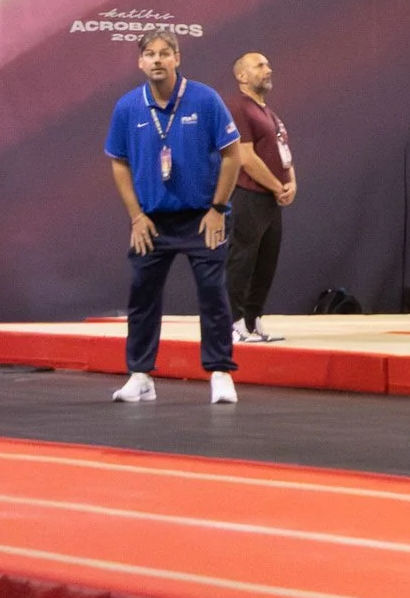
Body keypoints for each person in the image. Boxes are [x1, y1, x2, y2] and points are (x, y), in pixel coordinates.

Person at [105, 33, 243, 405]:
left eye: (164, 54)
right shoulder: (128, 107)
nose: (157, 61)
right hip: (152, 221)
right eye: (149, 55)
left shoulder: (205, 98)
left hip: (202, 218)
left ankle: (220, 373)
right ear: (140, 62)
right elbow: (118, 162)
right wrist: (135, 216)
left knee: (213, 295)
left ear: (177, 58)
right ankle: (140, 375)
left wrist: (217, 209)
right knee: (142, 295)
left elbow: (232, 156)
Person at [225, 47, 296, 336]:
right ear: (241, 75)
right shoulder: (238, 107)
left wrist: (292, 182)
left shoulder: (271, 114)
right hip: (249, 195)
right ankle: (233, 322)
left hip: (270, 199)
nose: (268, 70)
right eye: (259, 65)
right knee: (242, 259)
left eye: (268, 65)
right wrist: (279, 186)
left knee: (266, 262)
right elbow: (246, 157)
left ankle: (253, 320)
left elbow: (284, 154)